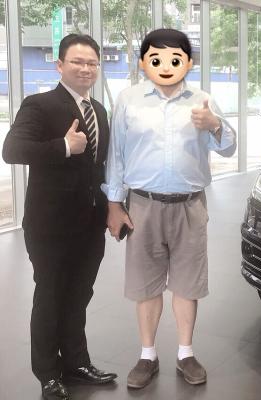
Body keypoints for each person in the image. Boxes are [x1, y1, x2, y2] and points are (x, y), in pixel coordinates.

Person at [104, 28, 236, 389]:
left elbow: (228, 148)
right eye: (156, 58)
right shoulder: (129, 100)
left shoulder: (203, 100)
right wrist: (114, 203)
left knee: (187, 284)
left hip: (189, 206)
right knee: (145, 284)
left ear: (188, 63)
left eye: (175, 58)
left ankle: (185, 353)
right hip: (142, 205)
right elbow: (116, 155)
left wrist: (215, 125)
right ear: (143, 62)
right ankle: (147, 355)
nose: (166, 65)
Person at [2, 34, 117, 400]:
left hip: (90, 224)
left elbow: (100, 168)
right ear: (60, 65)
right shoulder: (39, 105)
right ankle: (48, 374)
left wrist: (113, 208)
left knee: (79, 295)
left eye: (92, 63)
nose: (86, 68)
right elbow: (11, 150)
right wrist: (64, 147)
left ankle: (77, 363)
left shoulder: (98, 110)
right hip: (50, 225)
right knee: (50, 297)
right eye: (77, 62)